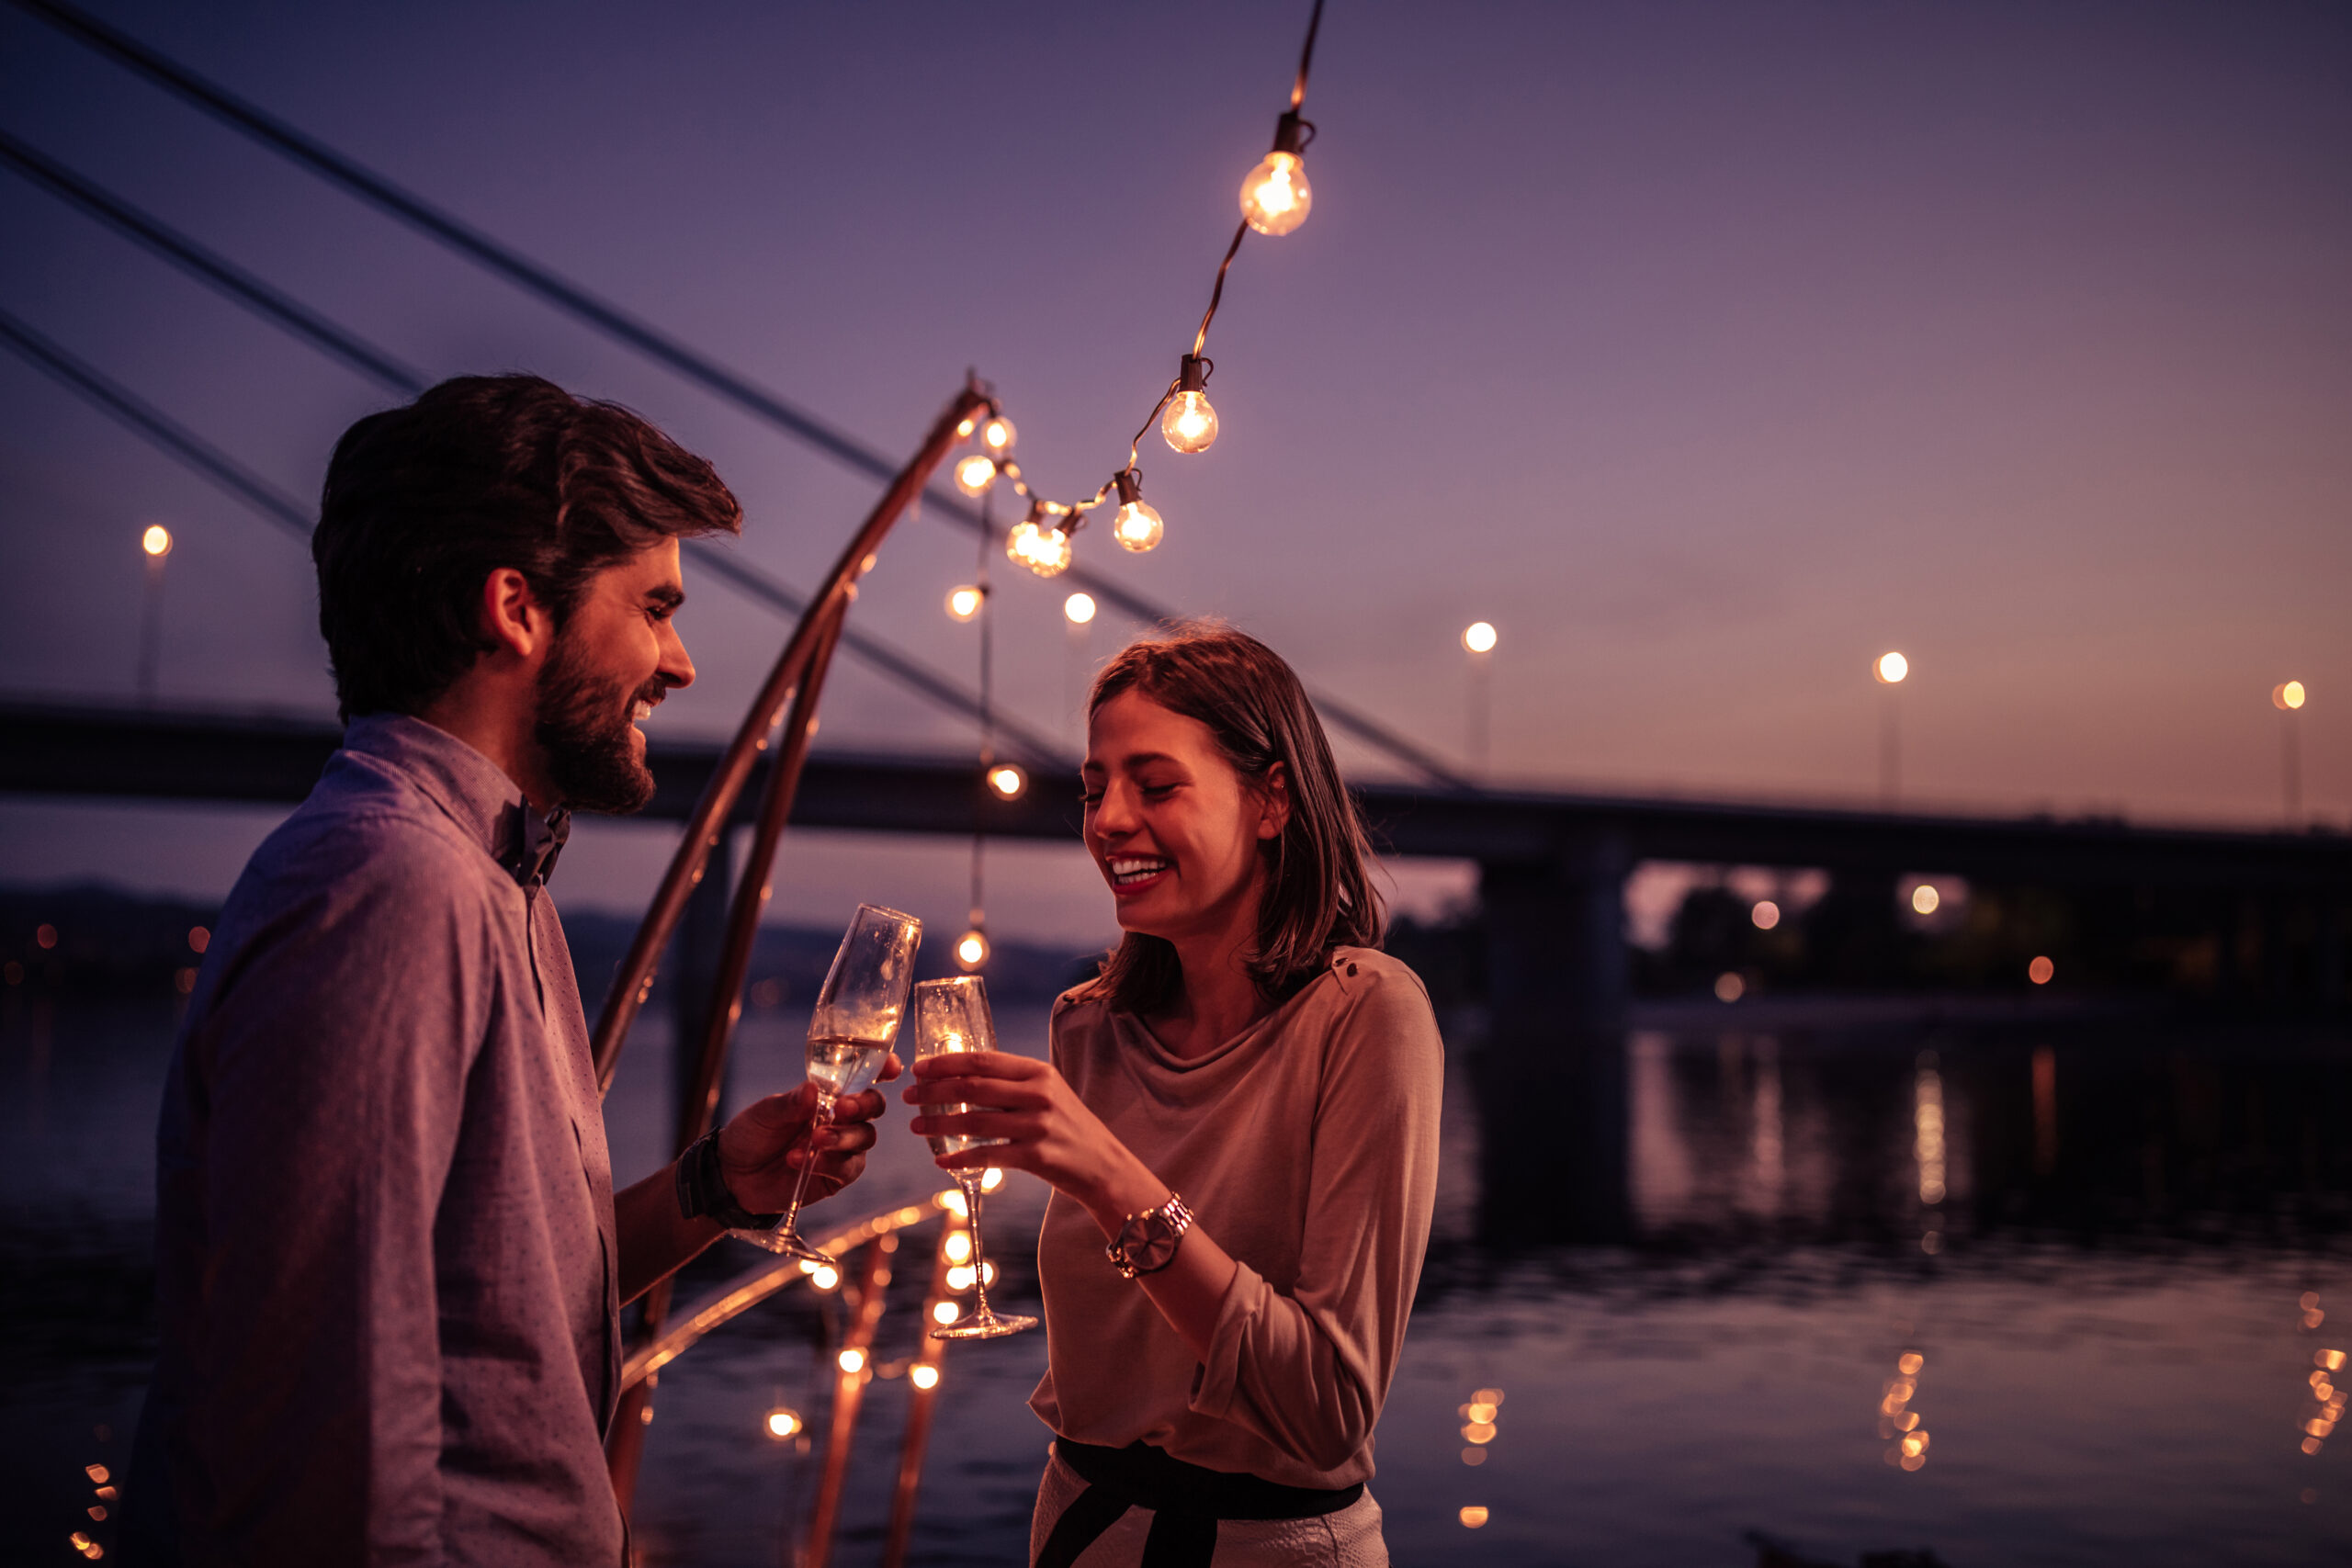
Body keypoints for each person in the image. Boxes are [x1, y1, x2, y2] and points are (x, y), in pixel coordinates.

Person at [124, 376, 892, 1566]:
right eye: (653, 606)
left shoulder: (496, 882)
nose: (681, 662)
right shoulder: (391, 887)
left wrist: (714, 1185)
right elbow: (329, 1444)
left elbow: (501, 1307)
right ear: (516, 607)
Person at [907, 623, 1443, 1567]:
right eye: (1094, 789)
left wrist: (1109, 1175)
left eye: (1154, 786)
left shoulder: (1368, 1014)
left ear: (1270, 799)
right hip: (1077, 1524)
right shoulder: (1089, 1024)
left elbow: (1325, 1413)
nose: (1108, 819)